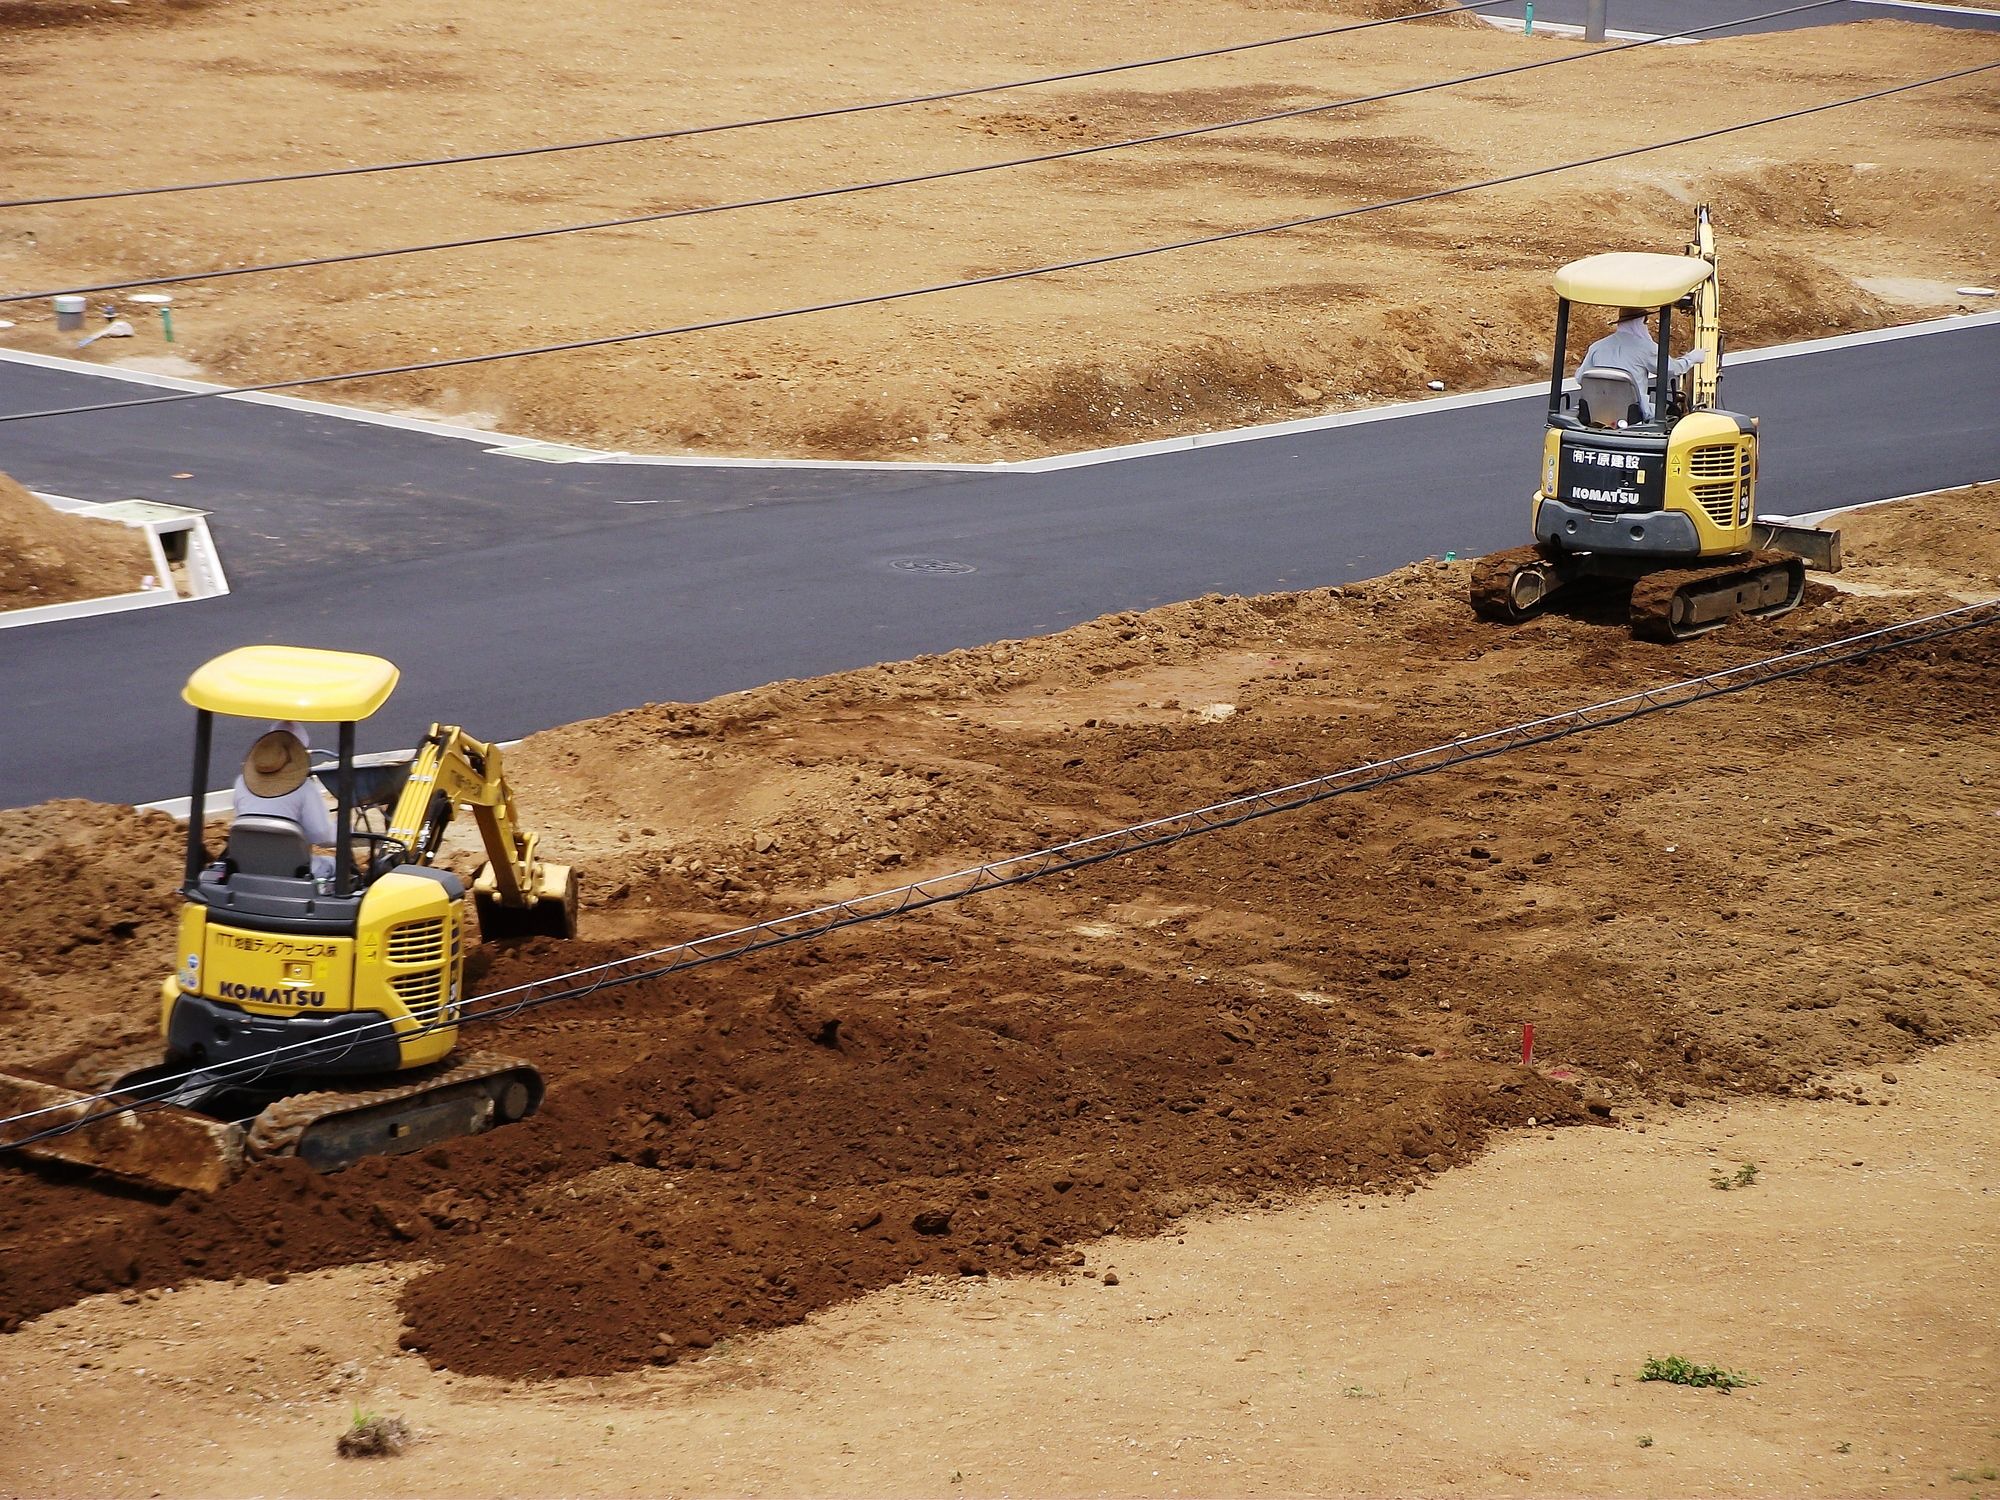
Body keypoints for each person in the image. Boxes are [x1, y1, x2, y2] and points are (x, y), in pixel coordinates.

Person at [232, 721, 338, 880]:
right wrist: (344, 829)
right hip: (294, 872)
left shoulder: (241, 783)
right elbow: (323, 837)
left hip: (248, 868)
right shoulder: (305, 789)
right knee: (338, 866)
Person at [1578, 307, 1708, 421]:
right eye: (1645, 322)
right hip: (1632, 414)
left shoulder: (1597, 347)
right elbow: (1671, 369)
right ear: (1639, 322)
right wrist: (1692, 358)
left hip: (1596, 411)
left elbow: (1580, 378)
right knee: (1672, 415)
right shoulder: (1645, 348)